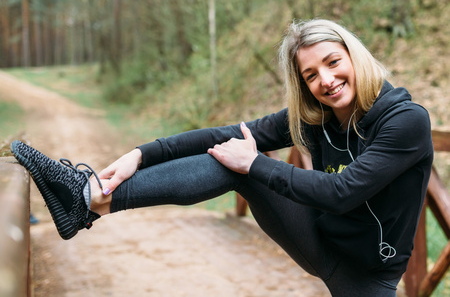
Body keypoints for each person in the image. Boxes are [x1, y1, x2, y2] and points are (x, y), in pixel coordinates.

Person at [11, 19, 433, 296]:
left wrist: (254, 162)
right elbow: (226, 136)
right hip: (319, 239)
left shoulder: (405, 120)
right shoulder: (314, 114)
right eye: (310, 75)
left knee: (244, 162)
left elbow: (342, 191)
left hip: (368, 275)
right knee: (230, 159)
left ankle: (86, 200)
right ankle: (89, 199)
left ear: (353, 55)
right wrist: (140, 153)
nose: (326, 80)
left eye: (333, 62)